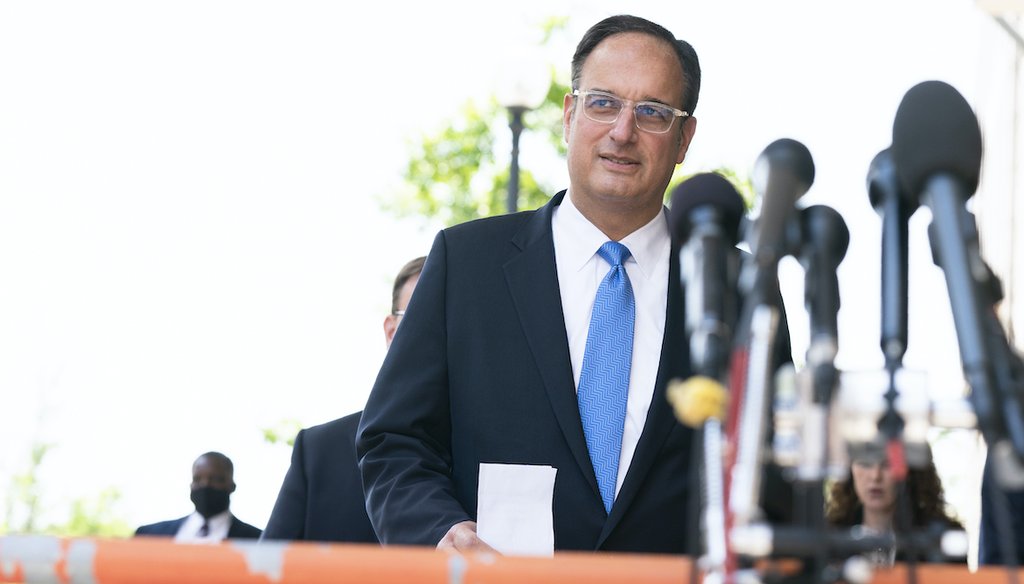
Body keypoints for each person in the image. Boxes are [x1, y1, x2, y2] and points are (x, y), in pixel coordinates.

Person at [357, 14, 703, 554]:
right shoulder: (467, 264)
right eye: (603, 102)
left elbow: (772, 472)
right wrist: (439, 534)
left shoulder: (734, 284)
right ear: (569, 116)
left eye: (652, 112)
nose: (622, 131)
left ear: (684, 138)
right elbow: (394, 442)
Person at [261, 256, 425, 543]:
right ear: (390, 331)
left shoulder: (505, 456)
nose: (438, 334)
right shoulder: (319, 453)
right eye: (420, 319)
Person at [825, 451, 963, 565]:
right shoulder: (828, 539)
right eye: (865, 463)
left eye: (888, 464)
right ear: (850, 469)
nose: (875, 476)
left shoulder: (941, 540)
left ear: (910, 471)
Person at [135, 451, 262, 541]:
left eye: (215, 479)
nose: (205, 485)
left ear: (231, 486)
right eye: (197, 479)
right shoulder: (148, 535)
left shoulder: (259, 541)